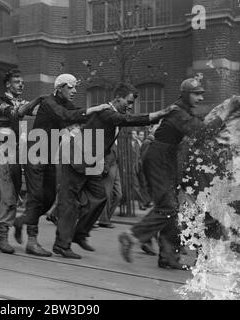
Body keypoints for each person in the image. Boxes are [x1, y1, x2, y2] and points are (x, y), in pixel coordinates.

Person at [118, 77, 240, 270]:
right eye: (196, 93)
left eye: (201, 94)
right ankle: (133, 236)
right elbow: (203, 133)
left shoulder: (182, 112)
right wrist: (226, 111)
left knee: (173, 209)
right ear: (184, 94)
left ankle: (167, 257)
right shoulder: (178, 113)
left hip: (168, 158)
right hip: (159, 158)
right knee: (168, 208)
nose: (200, 98)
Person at [53, 83, 175, 259]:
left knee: (101, 195)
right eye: (129, 101)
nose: (130, 106)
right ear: (118, 98)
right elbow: (128, 120)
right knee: (69, 202)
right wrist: (157, 115)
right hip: (75, 159)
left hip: (90, 162)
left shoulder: (114, 115)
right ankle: (62, 245)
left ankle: (80, 234)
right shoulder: (106, 112)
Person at [13, 74, 111, 257]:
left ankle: (21, 221)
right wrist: (95, 108)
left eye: (75, 88)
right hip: (35, 154)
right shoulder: (50, 103)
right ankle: (32, 242)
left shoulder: (64, 103)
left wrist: (107, 114)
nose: (74, 91)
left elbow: (79, 114)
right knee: (37, 197)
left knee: (49, 198)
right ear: (60, 88)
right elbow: (67, 115)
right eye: (70, 87)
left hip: (49, 156)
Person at [0, 69, 42, 254]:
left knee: (10, 193)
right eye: (17, 81)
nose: (21, 84)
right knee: (8, 195)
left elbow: (38, 111)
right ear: (8, 84)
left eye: (22, 82)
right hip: (1, 153)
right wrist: (40, 99)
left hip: (16, 152)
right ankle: (3, 238)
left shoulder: (22, 102)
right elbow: (15, 113)